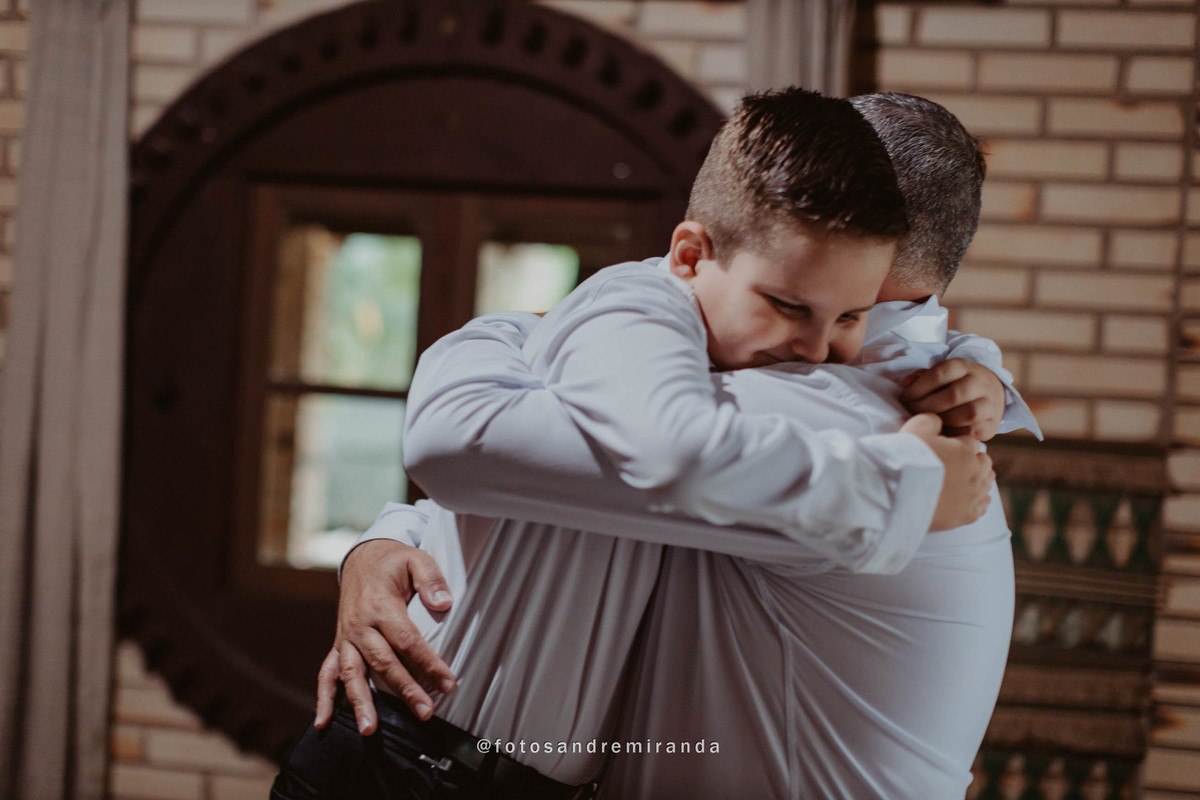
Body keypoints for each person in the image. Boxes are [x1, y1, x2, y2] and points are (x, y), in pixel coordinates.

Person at [273, 91, 1015, 800]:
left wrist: (511, 336)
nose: (819, 348)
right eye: (789, 302)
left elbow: (465, 437)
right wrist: (381, 543)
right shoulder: (698, 363)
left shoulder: (823, 405)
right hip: (410, 762)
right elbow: (506, 461)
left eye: (848, 315)